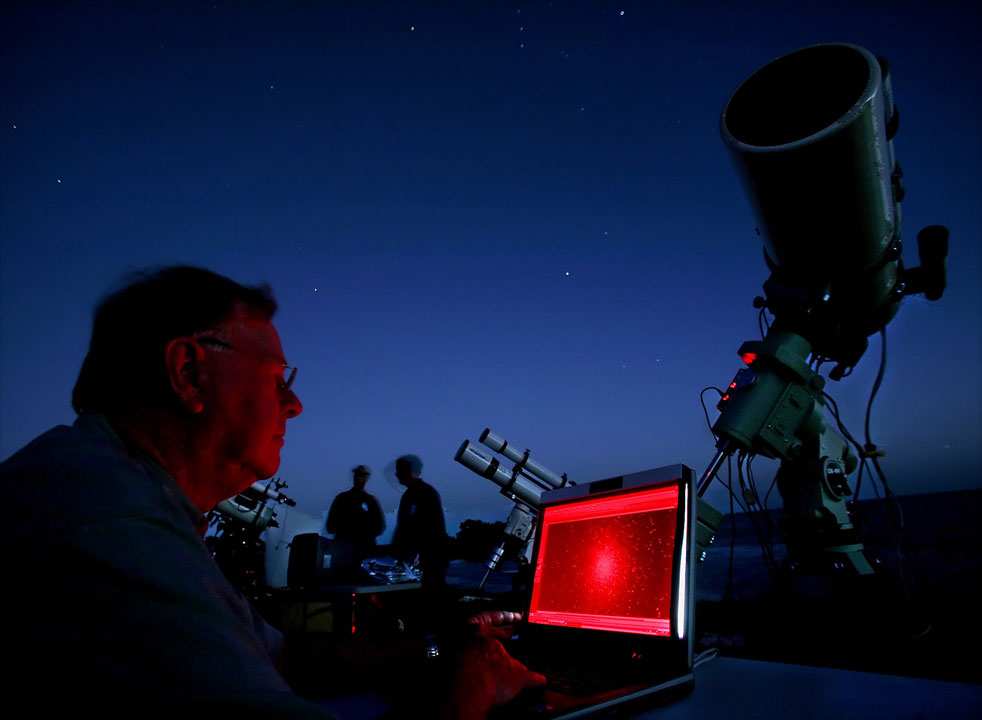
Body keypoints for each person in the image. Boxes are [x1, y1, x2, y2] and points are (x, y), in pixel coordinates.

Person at [0, 266, 543, 717]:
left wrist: (439, 648)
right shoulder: (109, 528)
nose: (294, 405)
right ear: (188, 373)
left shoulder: (116, 496)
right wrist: (472, 685)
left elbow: (284, 660)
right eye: (278, 378)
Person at [391, 453, 450, 590]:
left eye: (399, 470)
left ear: (407, 471)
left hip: (430, 558)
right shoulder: (420, 492)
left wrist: (406, 551)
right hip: (429, 557)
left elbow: (413, 527)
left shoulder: (418, 493)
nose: (396, 474)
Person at [326, 464, 385, 574]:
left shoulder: (368, 500)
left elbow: (380, 527)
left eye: (362, 476)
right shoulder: (343, 499)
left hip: (355, 555)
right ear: (354, 477)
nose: (360, 479)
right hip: (349, 555)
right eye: (358, 475)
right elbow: (330, 526)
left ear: (366, 478)